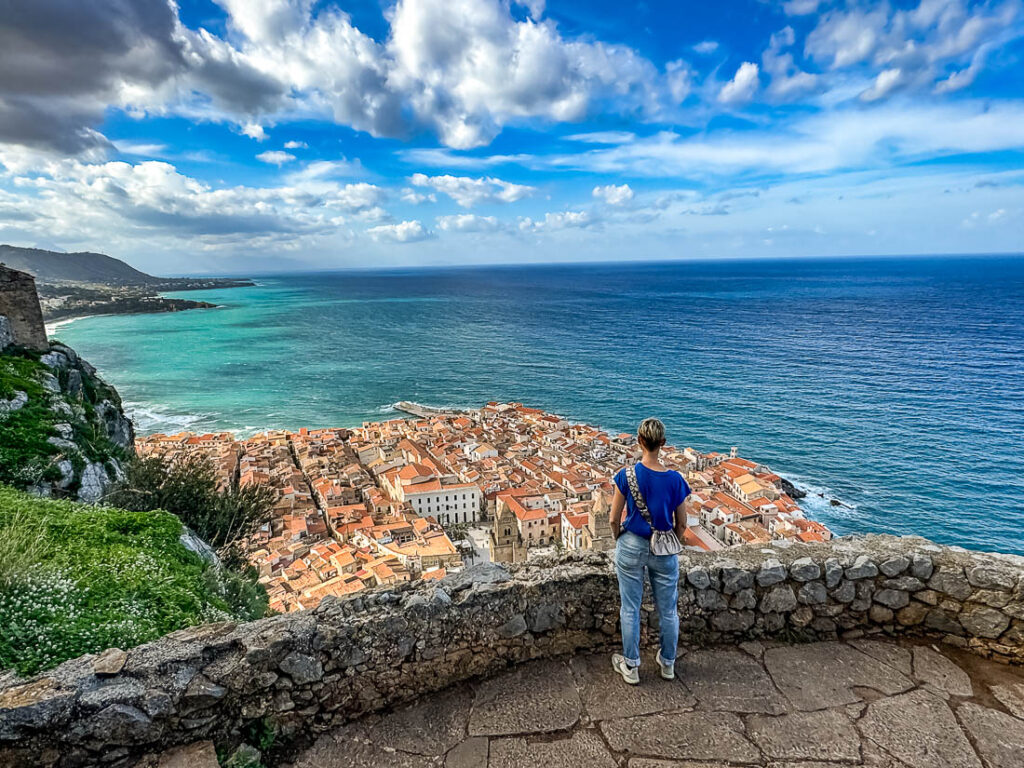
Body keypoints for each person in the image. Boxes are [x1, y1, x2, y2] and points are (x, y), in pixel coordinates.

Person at [608, 417, 690, 684]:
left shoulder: (626, 475)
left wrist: (619, 539)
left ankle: (631, 666)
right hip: (664, 548)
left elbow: (613, 518)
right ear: (663, 443)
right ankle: (667, 664)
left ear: (639, 440)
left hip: (632, 543)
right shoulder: (676, 480)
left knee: (630, 608)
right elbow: (682, 523)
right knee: (668, 610)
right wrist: (670, 542)